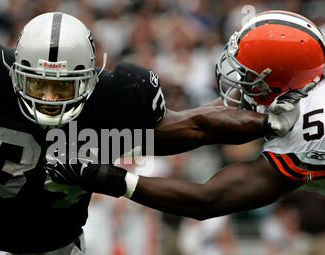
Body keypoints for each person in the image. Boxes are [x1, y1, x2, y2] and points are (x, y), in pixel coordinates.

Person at [0, 11, 307, 255]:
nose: (47, 98)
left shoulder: (119, 98)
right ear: (14, 71)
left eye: (61, 87)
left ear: (90, 79)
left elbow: (194, 126)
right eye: (37, 84)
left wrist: (268, 122)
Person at [45, 11, 325, 221]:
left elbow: (209, 201)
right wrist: (104, 142)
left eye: (249, 76)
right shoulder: (299, 87)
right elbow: (202, 126)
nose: (239, 81)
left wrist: (112, 179)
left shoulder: (310, 126)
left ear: (282, 82)